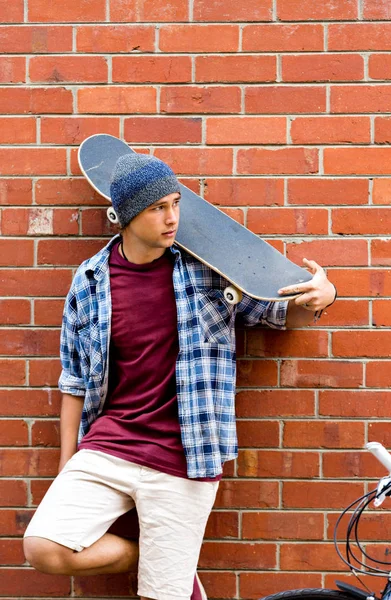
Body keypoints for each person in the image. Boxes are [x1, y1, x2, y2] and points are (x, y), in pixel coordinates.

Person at [23, 152, 337, 600]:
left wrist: (321, 297)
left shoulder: (206, 273)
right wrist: (65, 464)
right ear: (128, 216)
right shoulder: (90, 281)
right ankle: (147, 555)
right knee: (43, 548)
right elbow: (74, 381)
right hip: (109, 446)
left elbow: (278, 315)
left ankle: (170, 570)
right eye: (157, 208)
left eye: (175, 204)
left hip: (186, 456)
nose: (173, 219)